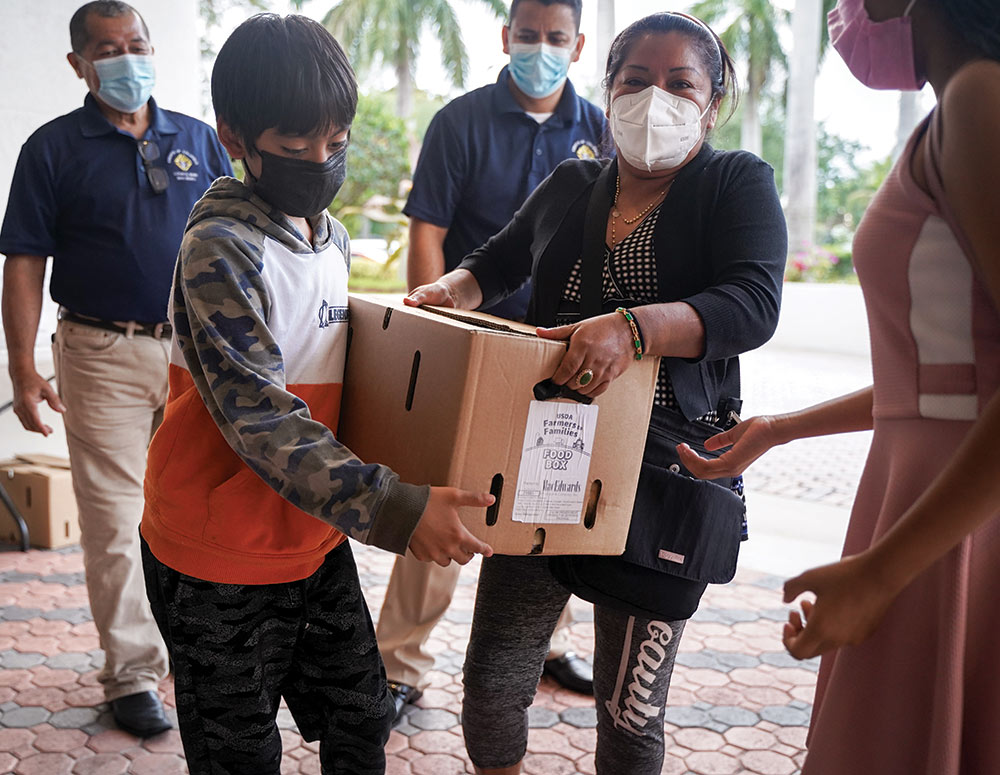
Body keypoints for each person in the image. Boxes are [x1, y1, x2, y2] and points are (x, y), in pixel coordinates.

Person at [405, 12, 787, 774]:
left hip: (662, 473)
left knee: (628, 714)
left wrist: (634, 327)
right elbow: (497, 261)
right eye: (635, 81)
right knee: (491, 683)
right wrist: (448, 290)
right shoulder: (574, 183)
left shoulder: (733, 182)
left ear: (712, 106)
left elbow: (753, 302)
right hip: (544, 462)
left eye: (680, 84)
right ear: (608, 95)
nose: (655, 98)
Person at [138, 14, 494, 774]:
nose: (321, 161)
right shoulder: (222, 248)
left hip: (311, 541)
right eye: (296, 147)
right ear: (234, 136)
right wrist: (397, 507)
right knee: (241, 753)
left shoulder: (327, 236)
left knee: (361, 719)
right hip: (218, 554)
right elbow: (262, 417)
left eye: (336, 143)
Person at [677, 1, 1000, 772]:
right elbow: (942, 375)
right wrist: (781, 428)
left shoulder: (979, 98)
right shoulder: (957, 106)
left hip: (954, 511)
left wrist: (884, 572)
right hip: (925, 491)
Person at [0, 1, 232, 738]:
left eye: (136, 44)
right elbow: (25, 261)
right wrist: (23, 368)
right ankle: (132, 670)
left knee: (198, 507)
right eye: (107, 48)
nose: (126, 59)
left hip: (195, 352)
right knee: (113, 518)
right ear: (79, 64)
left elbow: (242, 242)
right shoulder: (51, 149)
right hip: (98, 354)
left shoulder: (197, 139)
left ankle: (198, 648)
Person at [379, 0, 608, 719]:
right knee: (445, 500)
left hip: (563, 352)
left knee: (552, 498)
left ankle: (548, 643)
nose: (540, 48)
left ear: (576, 48)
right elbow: (430, 232)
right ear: (507, 36)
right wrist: (435, 327)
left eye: (556, 38)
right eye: (528, 35)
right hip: (475, 342)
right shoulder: (461, 121)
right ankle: (399, 662)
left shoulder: (600, 130)